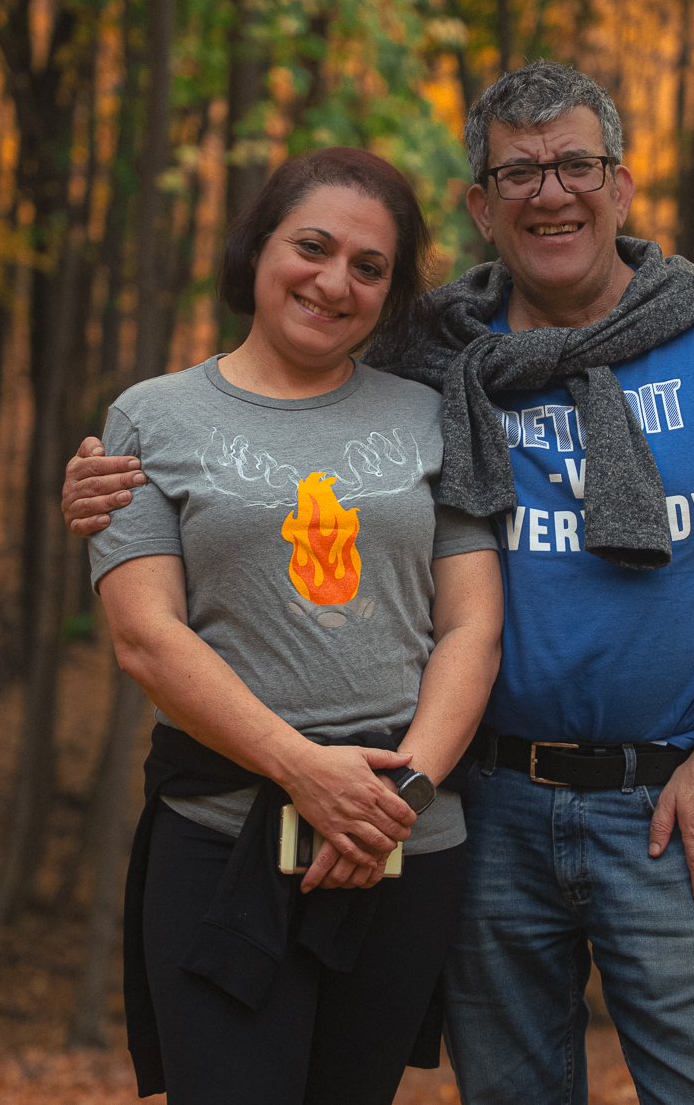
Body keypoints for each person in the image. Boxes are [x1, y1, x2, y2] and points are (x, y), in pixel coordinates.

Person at [66, 63, 694, 1105]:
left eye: (576, 163)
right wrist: (104, 480)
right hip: (485, 805)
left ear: (621, 184)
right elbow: (280, 382)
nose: (551, 191)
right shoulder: (439, 353)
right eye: (518, 172)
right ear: (482, 206)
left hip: (661, 801)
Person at [90, 146, 502, 1105]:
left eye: (370, 267)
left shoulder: (434, 415)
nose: (333, 282)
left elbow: (472, 628)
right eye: (311, 247)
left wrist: (396, 797)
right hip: (223, 838)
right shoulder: (151, 417)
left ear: (392, 293)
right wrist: (304, 771)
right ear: (259, 248)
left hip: (404, 846)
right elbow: (146, 638)